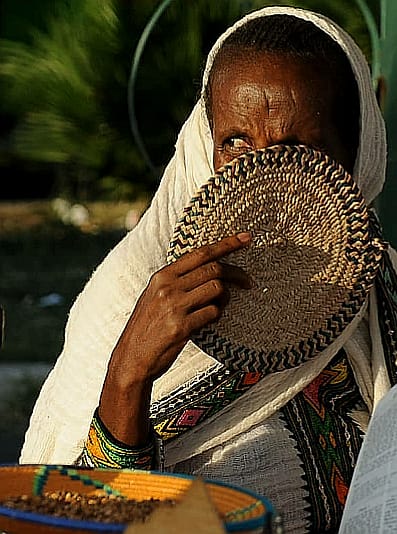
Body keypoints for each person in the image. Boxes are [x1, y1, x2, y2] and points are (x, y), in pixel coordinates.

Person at [20, 5, 397, 533]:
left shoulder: (383, 295)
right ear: (205, 145)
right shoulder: (129, 295)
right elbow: (72, 518)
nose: (263, 176)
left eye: (301, 149)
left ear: (357, 155)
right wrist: (128, 376)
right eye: (237, 143)